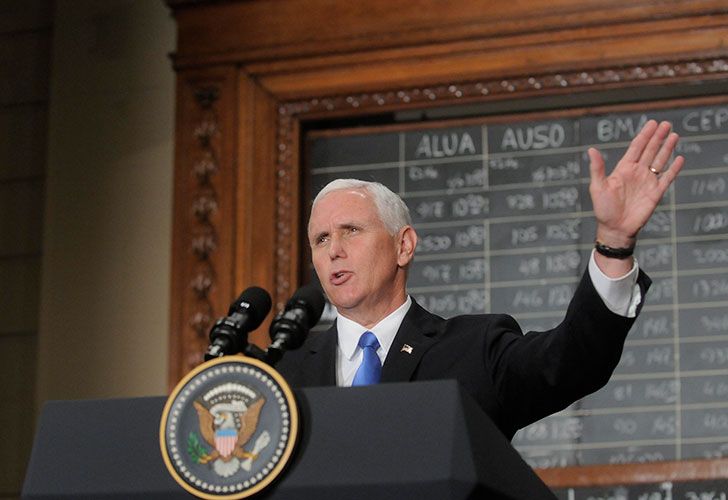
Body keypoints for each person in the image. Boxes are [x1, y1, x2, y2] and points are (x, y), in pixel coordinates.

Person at [276, 120, 684, 439]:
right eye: (321, 239)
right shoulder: (281, 371)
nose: (333, 250)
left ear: (404, 246)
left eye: (351, 230)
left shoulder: (474, 350)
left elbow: (572, 361)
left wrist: (613, 243)